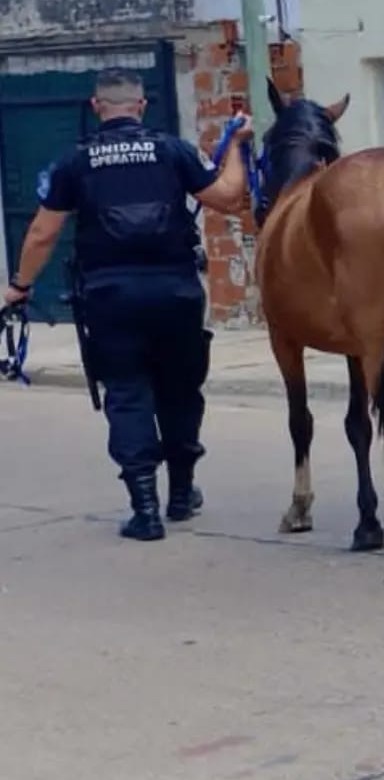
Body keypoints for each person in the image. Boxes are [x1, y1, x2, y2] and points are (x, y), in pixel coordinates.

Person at [2, 68, 253, 541]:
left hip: (110, 297)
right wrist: (237, 145)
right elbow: (227, 197)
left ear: (97, 108)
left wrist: (19, 286)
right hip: (176, 293)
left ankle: (146, 510)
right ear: (141, 106)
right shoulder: (171, 150)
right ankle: (182, 494)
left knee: (128, 393)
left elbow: (43, 233)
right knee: (180, 391)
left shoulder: (75, 162)